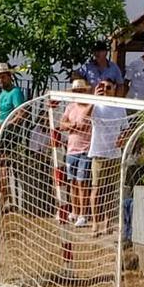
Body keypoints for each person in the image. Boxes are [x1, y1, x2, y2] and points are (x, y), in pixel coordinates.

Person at [88, 83, 130, 233]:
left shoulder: (120, 107)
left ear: (114, 89)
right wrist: (94, 98)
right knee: (96, 188)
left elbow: (126, 128)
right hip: (99, 152)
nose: (104, 90)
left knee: (111, 189)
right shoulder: (96, 105)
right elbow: (85, 117)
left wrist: (122, 138)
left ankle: (108, 222)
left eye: (108, 87)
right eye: (102, 86)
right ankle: (95, 222)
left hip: (114, 153)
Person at [60, 80, 94, 227]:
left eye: (81, 91)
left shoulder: (91, 107)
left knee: (82, 182)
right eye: (76, 91)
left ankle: (83, 213)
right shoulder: (70, 107)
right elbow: (62, 124)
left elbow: (85, 123)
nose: (79, 94)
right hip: (71, 148)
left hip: (85, 149)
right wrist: (70, 125)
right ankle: (74, 210)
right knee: (72, 181)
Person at [0, 63, 25, 135]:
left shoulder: (16, 92)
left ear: (9, 77)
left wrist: (4, 125)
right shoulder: (2, 94)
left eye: (3, 77)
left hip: (8, 132)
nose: (1, 80)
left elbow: (21, 114)